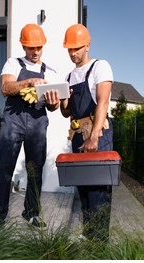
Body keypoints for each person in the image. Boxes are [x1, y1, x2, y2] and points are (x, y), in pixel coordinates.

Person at [0, 23, 59, 234]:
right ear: (23, 46)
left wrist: (54, 102)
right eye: (30, 48)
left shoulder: (51, 72)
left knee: (35, 171)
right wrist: (28, 82)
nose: (35, 52)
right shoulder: (13, 64)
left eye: (38, 47)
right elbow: (5, 88)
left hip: (37, 122)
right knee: (4, 169)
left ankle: (32, 213)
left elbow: (53, 107)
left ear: (43, 45)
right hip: (13, 121)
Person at [60, 24, 114, 240]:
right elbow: (66, 112)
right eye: (70, 49)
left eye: (78, 48)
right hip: (77, 135)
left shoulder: (101, 67)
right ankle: (88, 234)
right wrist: (62, 100)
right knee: (83, 187)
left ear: (88, 45)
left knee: (98, 188)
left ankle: (100, 242)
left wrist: (94, 135)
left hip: (97, 132)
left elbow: (102, 102)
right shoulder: (69, 76)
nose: (73, 53)